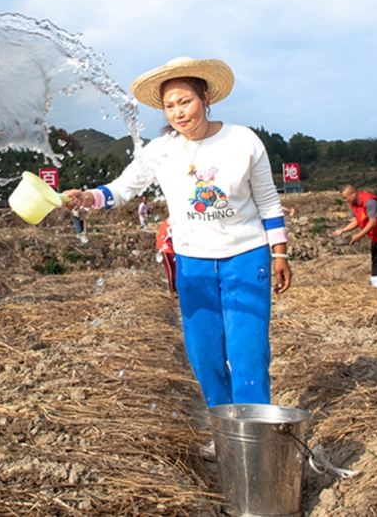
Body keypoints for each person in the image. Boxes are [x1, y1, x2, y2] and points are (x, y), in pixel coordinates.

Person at [63, 56, 291, 414]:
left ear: (204, 96)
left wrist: (279, 254)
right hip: (192, 264)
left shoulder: (243, 141)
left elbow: (268, 202)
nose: (178, 113)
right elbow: (121, 190)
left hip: (247, 257)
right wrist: (86, 197)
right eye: (169, 106)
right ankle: (222, 427)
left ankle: (254, 433)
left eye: (185, 101)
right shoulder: (160, 151)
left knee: (248, 353)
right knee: (205, 355)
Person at [331, 184, 377, 279]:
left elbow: (373, 222)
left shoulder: (369, 201)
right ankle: (376, 282)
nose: (345, 201)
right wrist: (342, 230)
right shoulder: (353, 205)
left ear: (353, 193)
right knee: (375, 259)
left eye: (346, 198)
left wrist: (359, 236)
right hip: (375, 235)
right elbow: (355, 222)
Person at [156, 217, 177, 296]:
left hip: (171, 246)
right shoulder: (174, 219)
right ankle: (173, 291)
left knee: (175, 268)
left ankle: (176, 288)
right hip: (165, 246)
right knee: (171, 269)